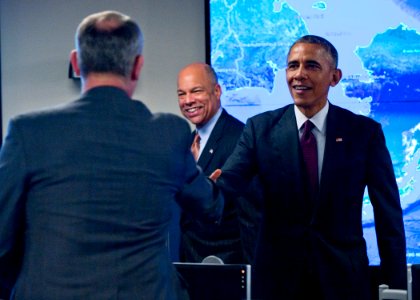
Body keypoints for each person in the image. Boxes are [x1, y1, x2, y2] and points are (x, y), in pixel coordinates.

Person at [0, 11, 223, 300]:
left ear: (76, 63)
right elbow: (210, 207)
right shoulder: (168, 135)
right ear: (137, 66)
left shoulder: (27, 133)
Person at [213, 35, 407, 299]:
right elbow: (228, 183)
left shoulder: (364, 133)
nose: (299, 74)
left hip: (344, 283)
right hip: (277, 283)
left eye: (311, 66)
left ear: (335, 77)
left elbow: (388, 216)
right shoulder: (259, 129)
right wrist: (201, 185)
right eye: (293, 66)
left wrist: (396, 285)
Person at [176, 62, 261, 264]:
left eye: (196, 91)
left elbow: (250, 218)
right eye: (181, 94)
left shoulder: (241, 139)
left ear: (217, 91)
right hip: (190, 264)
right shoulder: (187, 142)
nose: (188, 101)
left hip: (226, 266)